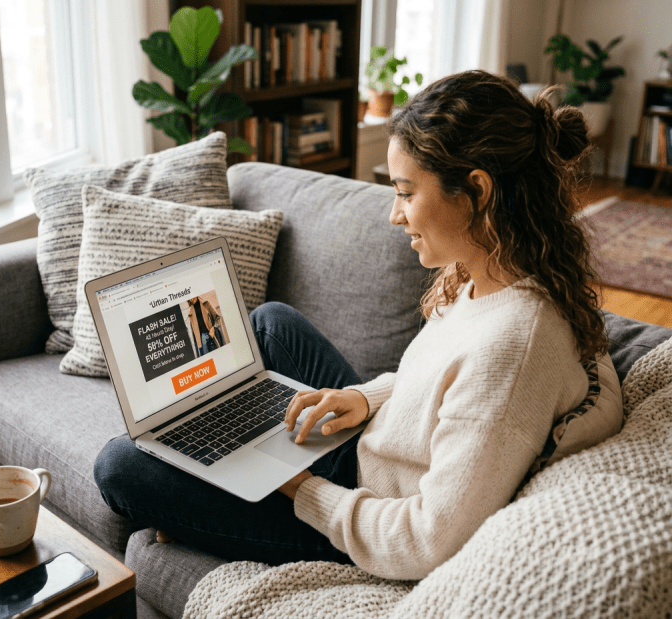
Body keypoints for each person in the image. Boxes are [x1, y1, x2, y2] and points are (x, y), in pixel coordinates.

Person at [93, 70, 622, 582]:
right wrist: (365, 398)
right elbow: (441, 386)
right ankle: (211, 445)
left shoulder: (513, 345)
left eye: (407, 192)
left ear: (478, 191)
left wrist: (296, 488)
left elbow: (426, 541)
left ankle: (212, 471)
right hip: (371, 445)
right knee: (273, 324)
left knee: (120, 466)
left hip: (360, 516)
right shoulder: (490, 269)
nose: (395, 215)